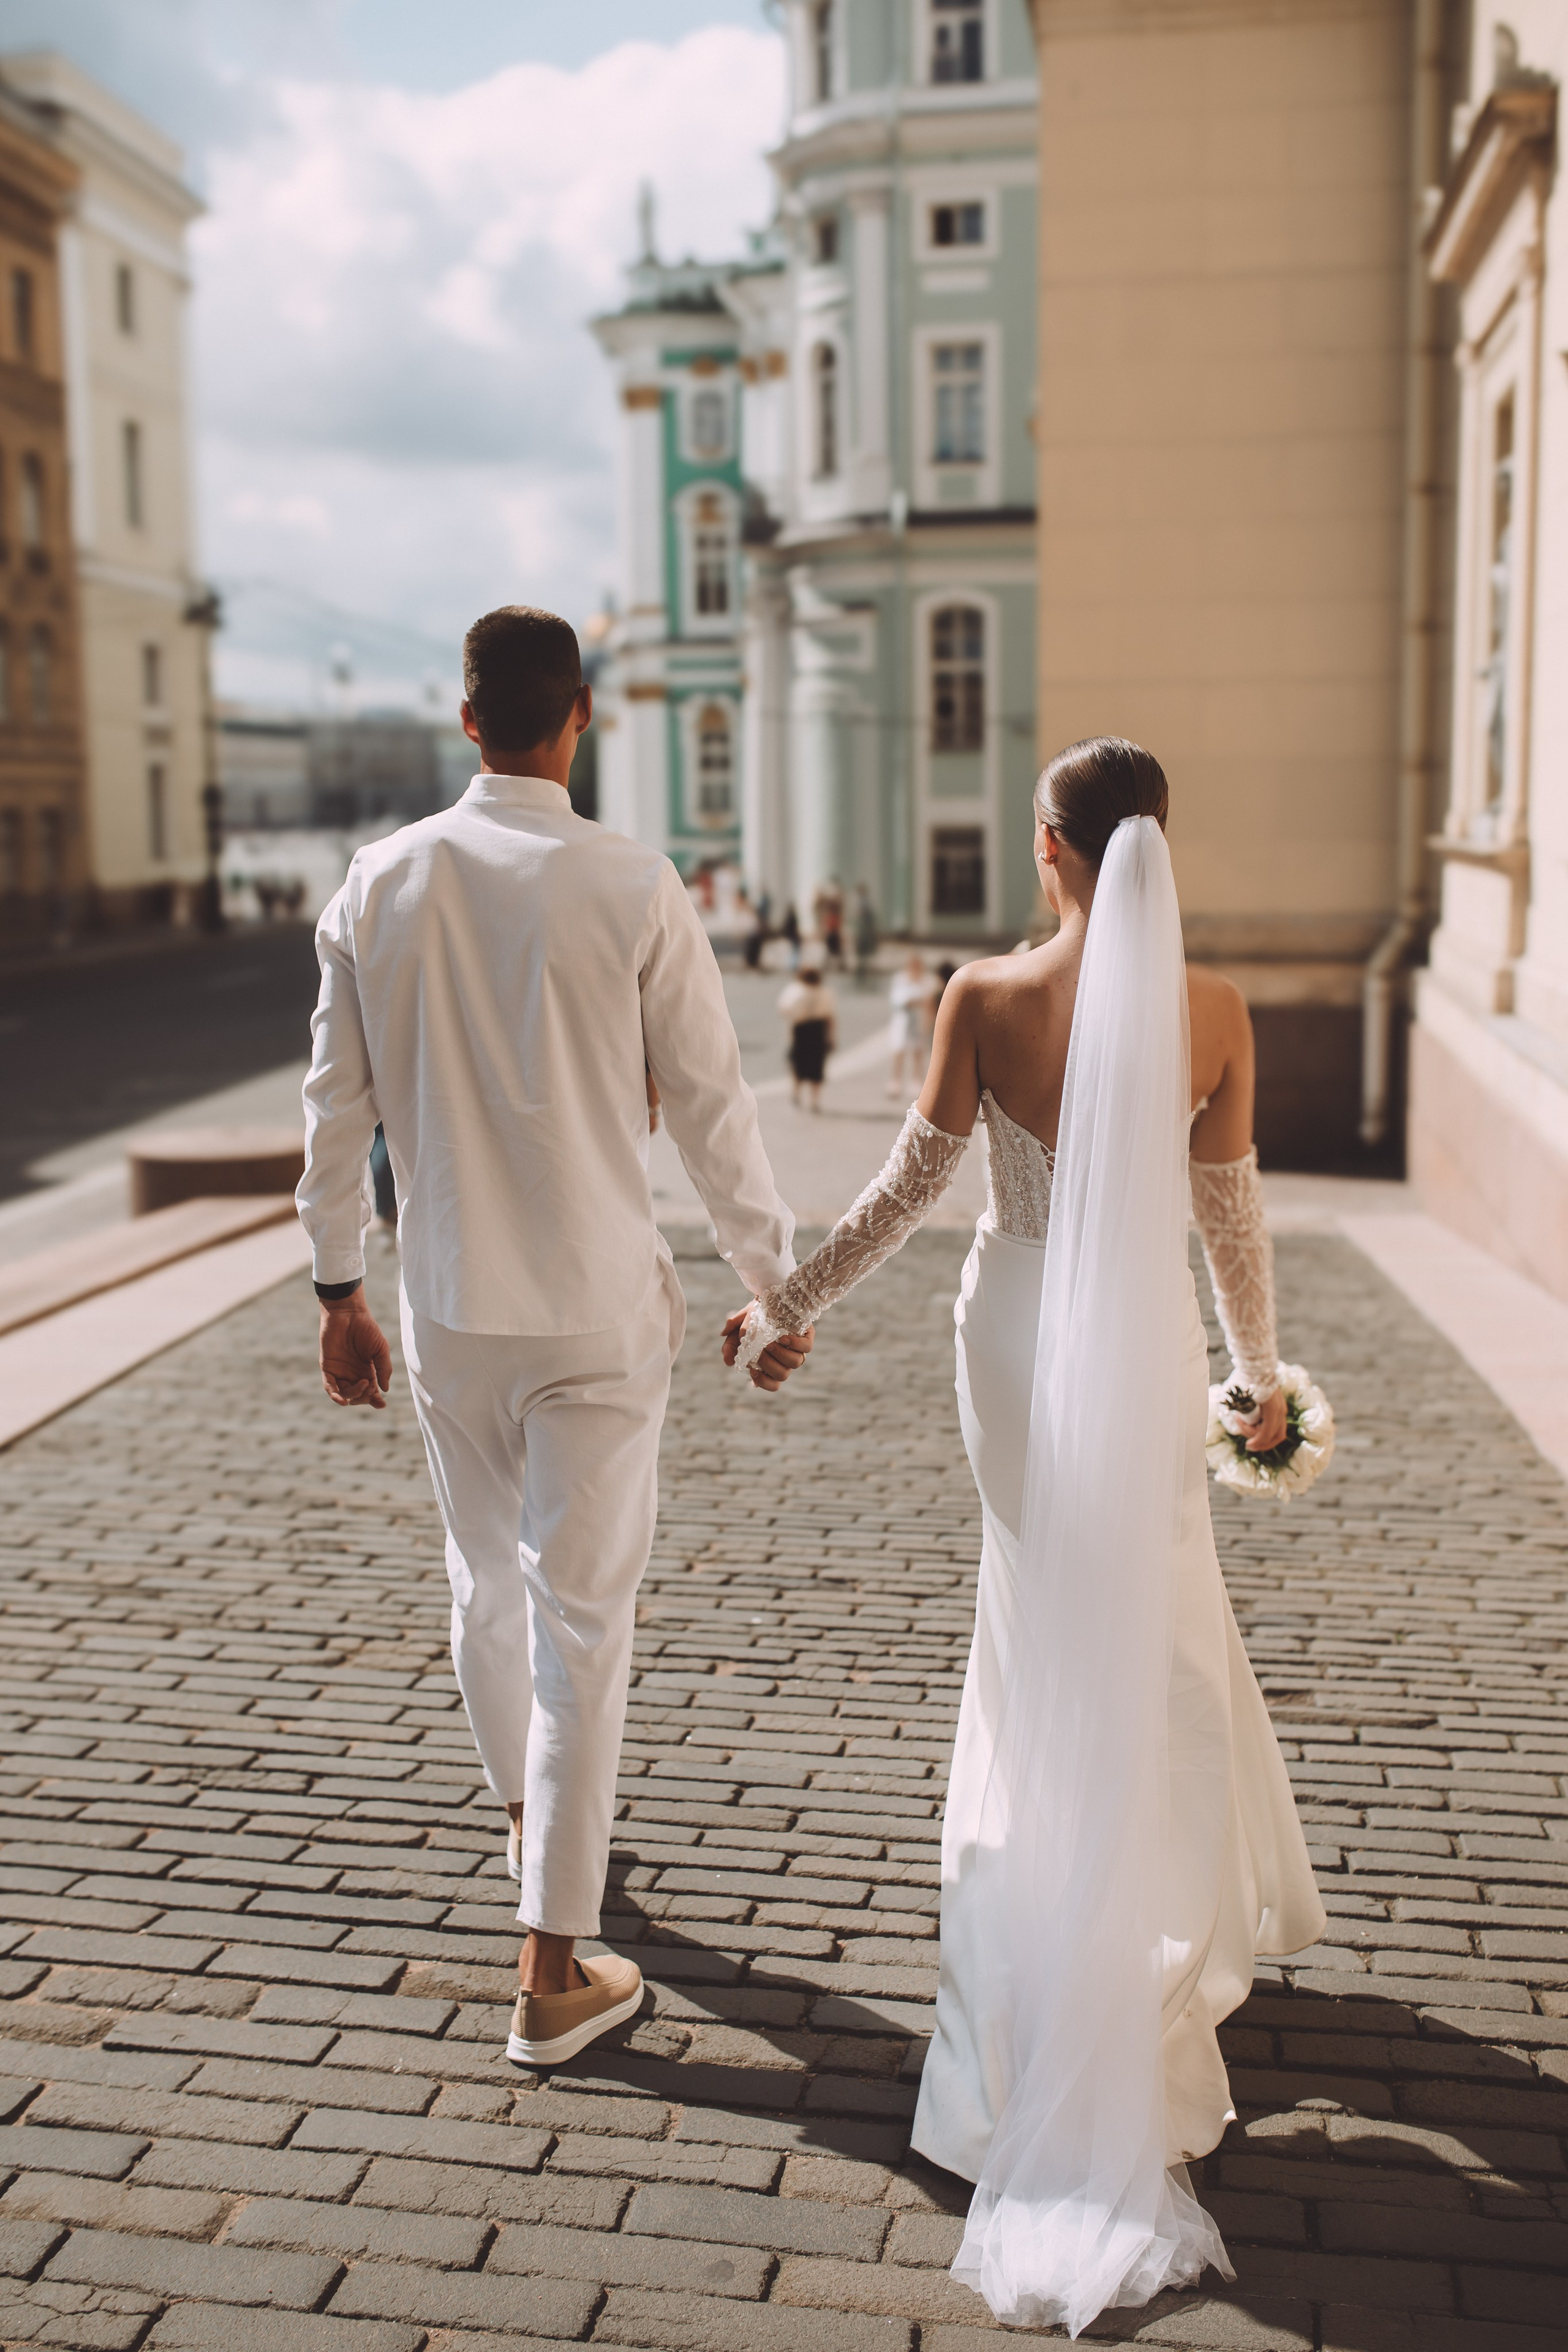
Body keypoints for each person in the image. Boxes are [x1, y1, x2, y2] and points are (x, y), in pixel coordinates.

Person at [722, 737, 1325, 2335]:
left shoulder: (982, 998)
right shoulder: (1216, 1011)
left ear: (1047, 846)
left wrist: (785, 1305)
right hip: (1141, 1344)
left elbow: (906, 1189)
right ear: (1158, 849)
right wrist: (1258, 1376)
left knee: (1034, 1618)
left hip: (1011, 1327)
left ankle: (1036, 1958)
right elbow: (1230, 1214)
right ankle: (1153, 1939)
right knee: (1154, 1618)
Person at [297, 604, 807, 2072]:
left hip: (448, 1301)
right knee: (583, 1618)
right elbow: (709, 1104)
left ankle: (533, 1829)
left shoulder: (377, 881)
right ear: (581, 714)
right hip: (594, 1305)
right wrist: (772, 1285)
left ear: (466, 718)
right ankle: (549, 1964)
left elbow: (333, 1109)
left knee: (485, 1584)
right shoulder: (632, 881)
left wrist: (336, 1290)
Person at [778, 959, 837, 1111]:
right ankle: (814, 1100)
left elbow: (784, 1010)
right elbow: (830, 1016)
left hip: (801, 1028)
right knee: (817, 1066)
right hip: (818, 1029)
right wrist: (831, 1037)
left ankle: (796, 1093)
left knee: (798, 1062)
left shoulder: (795, 991)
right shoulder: (825, 992)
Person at [886, 949, 937, 1098]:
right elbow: (897, 1000)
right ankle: (895, 1081)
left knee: (918, 1051)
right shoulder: (900, 979)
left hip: (919, 1019)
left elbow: (930, 1002)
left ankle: (916, 1080)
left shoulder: (927, 980)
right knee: (899, 1050)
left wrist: (928, 1021)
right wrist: (916, 1002)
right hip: (903, 1020)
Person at [852, 883, 878, 988]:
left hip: (864, 932)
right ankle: (862, 965)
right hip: (864, 931)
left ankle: (862, 966)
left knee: (863, 949)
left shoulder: (864, 902)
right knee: (863, 951)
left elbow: (863, 914)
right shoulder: (864, 901)